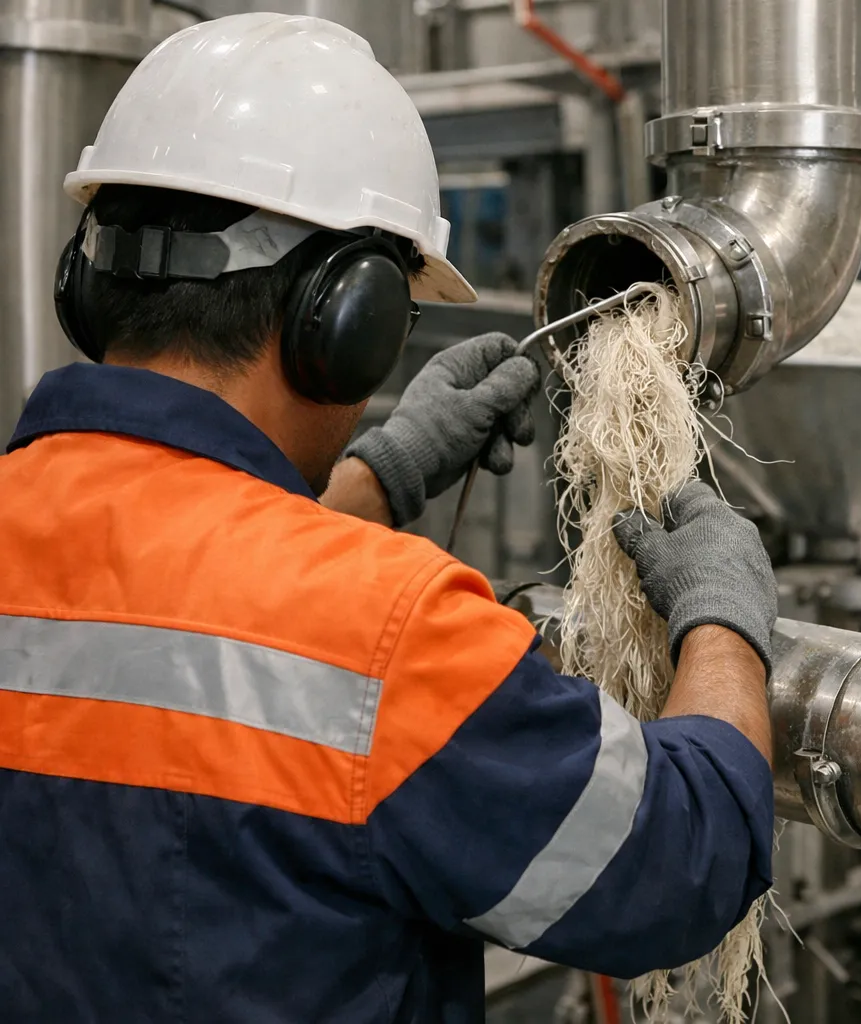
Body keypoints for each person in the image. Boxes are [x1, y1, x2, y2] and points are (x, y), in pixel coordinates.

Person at [0, 13, 778, 1023]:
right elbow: (677, 862)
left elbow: (168, 600)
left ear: (89, 283)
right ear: (346, 323)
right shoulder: (385, 638)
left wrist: (376, 479)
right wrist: (724, 624)